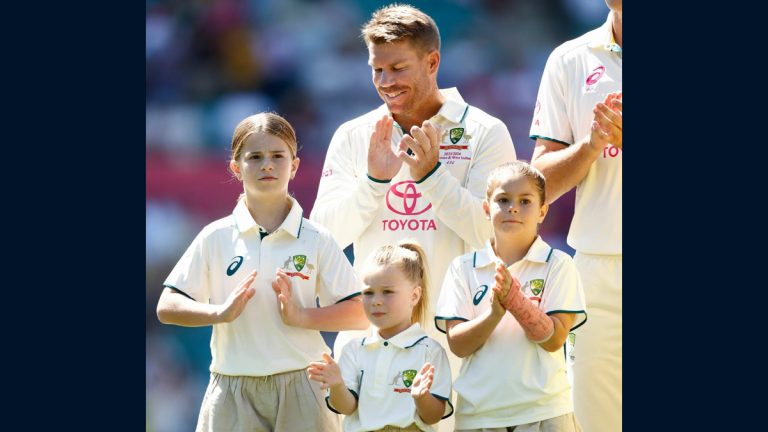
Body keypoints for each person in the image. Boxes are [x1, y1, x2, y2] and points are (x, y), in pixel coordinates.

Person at [309, 8, 516, 424]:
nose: (386, 83)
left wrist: (434, 178)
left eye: (398, 68)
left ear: (432, 62)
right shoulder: (355, 135)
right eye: (377, 70)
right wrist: (373, 182)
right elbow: (323, 237)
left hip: (458, 341)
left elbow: (496, 239)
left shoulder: (483, 132)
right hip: (372, 348)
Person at [156, 112, 369, 432]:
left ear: (294, 166)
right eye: (254, 157)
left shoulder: (317, 238)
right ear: (236, 167)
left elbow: (360, 313)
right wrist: (219, 312)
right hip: (232, 386)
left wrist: (303, 317)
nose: (267, 165)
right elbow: (167, 306)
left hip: (303, 383)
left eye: (277, 156)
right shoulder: (216, 235)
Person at [435, 161, 587, 431]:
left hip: (546, 413)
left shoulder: (559, 264)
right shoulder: (462, 268)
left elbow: (555, 340)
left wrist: (516, 304)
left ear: (542, 211)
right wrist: (495, 313)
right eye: (502, 200)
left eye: (525, 201)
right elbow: (458, 345)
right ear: (486, 208)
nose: (513, 208)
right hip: (478, 416)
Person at [529, 1, 622, 431]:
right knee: (596, 422)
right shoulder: (570, 58)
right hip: (598, 272)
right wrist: (591, 144)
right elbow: (539, 181)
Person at [308, 241, 453, 432]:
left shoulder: (431, 351)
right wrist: (337, 385)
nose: (376, 301)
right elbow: (348, 407)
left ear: (414, 296)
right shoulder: (353, 349)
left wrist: (422, 397)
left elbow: (433, 416)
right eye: (368, 293)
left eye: (387, 292)